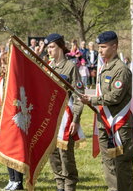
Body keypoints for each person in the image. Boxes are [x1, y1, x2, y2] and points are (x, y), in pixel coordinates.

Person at [80, 31, 133, 191]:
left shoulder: (121, 69)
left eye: (103, 47)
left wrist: (92, 100)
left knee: (121, 166)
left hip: (119, 125)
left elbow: (115, 97)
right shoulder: (105, 68)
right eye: (99, 47)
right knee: (108, 163)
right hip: (105, 124)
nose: (100, 51)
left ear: (114, 46)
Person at [43, 34, 84, 191]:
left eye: (52, 47)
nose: (49, 50)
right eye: (48, 48)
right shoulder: (47, 66)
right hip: (50, 118)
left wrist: (76, 119)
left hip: (66, 119)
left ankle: (69, 185)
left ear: (60, 47)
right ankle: (59, 184)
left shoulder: (70, 67)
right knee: (53, 154)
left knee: (66, 156)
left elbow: (79, 95)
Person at [0, 50, 24, 191]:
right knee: (7, 149)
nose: (3, 67)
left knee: (15, 151)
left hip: (14, 119)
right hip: (3, 120)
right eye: (1, 64)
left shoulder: (15, 81)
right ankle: (11, 179)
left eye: (6, 64)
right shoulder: (0, 80)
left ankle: (18, 181)